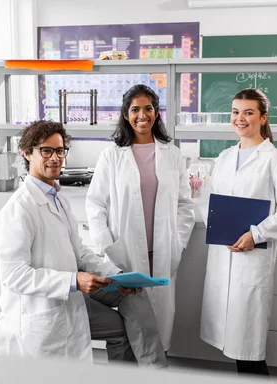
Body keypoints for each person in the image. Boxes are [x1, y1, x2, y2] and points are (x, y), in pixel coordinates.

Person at [0, 120, 166, 367]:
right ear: (27, 153)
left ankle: (154, 373)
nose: (55, 158)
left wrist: (116, 276)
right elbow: (15, 276)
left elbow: (80, 253)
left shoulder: (56, 198)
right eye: (46, 151)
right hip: (45, 307)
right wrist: (73, 281)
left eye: (60, 150)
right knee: (121, 331)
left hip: (71, 294)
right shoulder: (19, 210)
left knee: (135, 297)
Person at [197, 88, 277, 376]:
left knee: (248, 347)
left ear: (263, 117)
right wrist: (217, 227)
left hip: (252, 259)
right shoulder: (225, 157)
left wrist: (254, 235)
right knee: (232, 340)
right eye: (235, 112)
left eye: (248, 112)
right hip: (224, 253)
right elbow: (208, 199)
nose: (240, 119)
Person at [85, 84, 196, 352]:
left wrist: (177, 244)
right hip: (124, 253)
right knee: (131, 326)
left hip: (162, 251)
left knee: (159, 324)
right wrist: (106, 246)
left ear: (157, 113)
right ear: (126, 114)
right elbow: (95, 203)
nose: (142, 115)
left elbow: (185, 205)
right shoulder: (111, 155)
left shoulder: (173, 154)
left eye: (148, 108)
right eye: (135, 109)